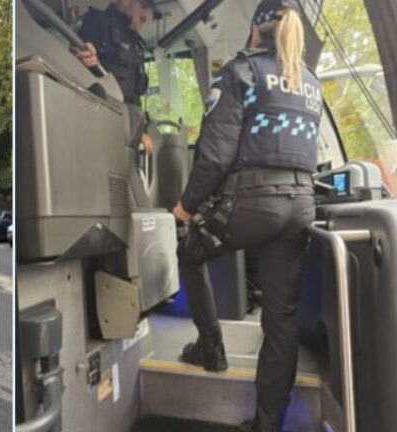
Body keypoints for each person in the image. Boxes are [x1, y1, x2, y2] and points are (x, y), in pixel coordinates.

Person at [170, 1, 321, 430]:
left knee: (190, 253)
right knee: (281, 319)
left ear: (256, 31)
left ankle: (211, 347)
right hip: (301, 206)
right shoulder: (310, 82)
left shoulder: (240, 72)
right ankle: (268, 422)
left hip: (253, 203)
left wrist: (186, 206)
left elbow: (215, 157)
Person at [71, 0, 154, 154]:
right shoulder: (97, 21)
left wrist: (141, 130)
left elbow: (134, 95)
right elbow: (77, 53)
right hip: (101, 120)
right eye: (142, 18)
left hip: (128, 130)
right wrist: (87, 57)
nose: (142, 25)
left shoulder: (137, 45)